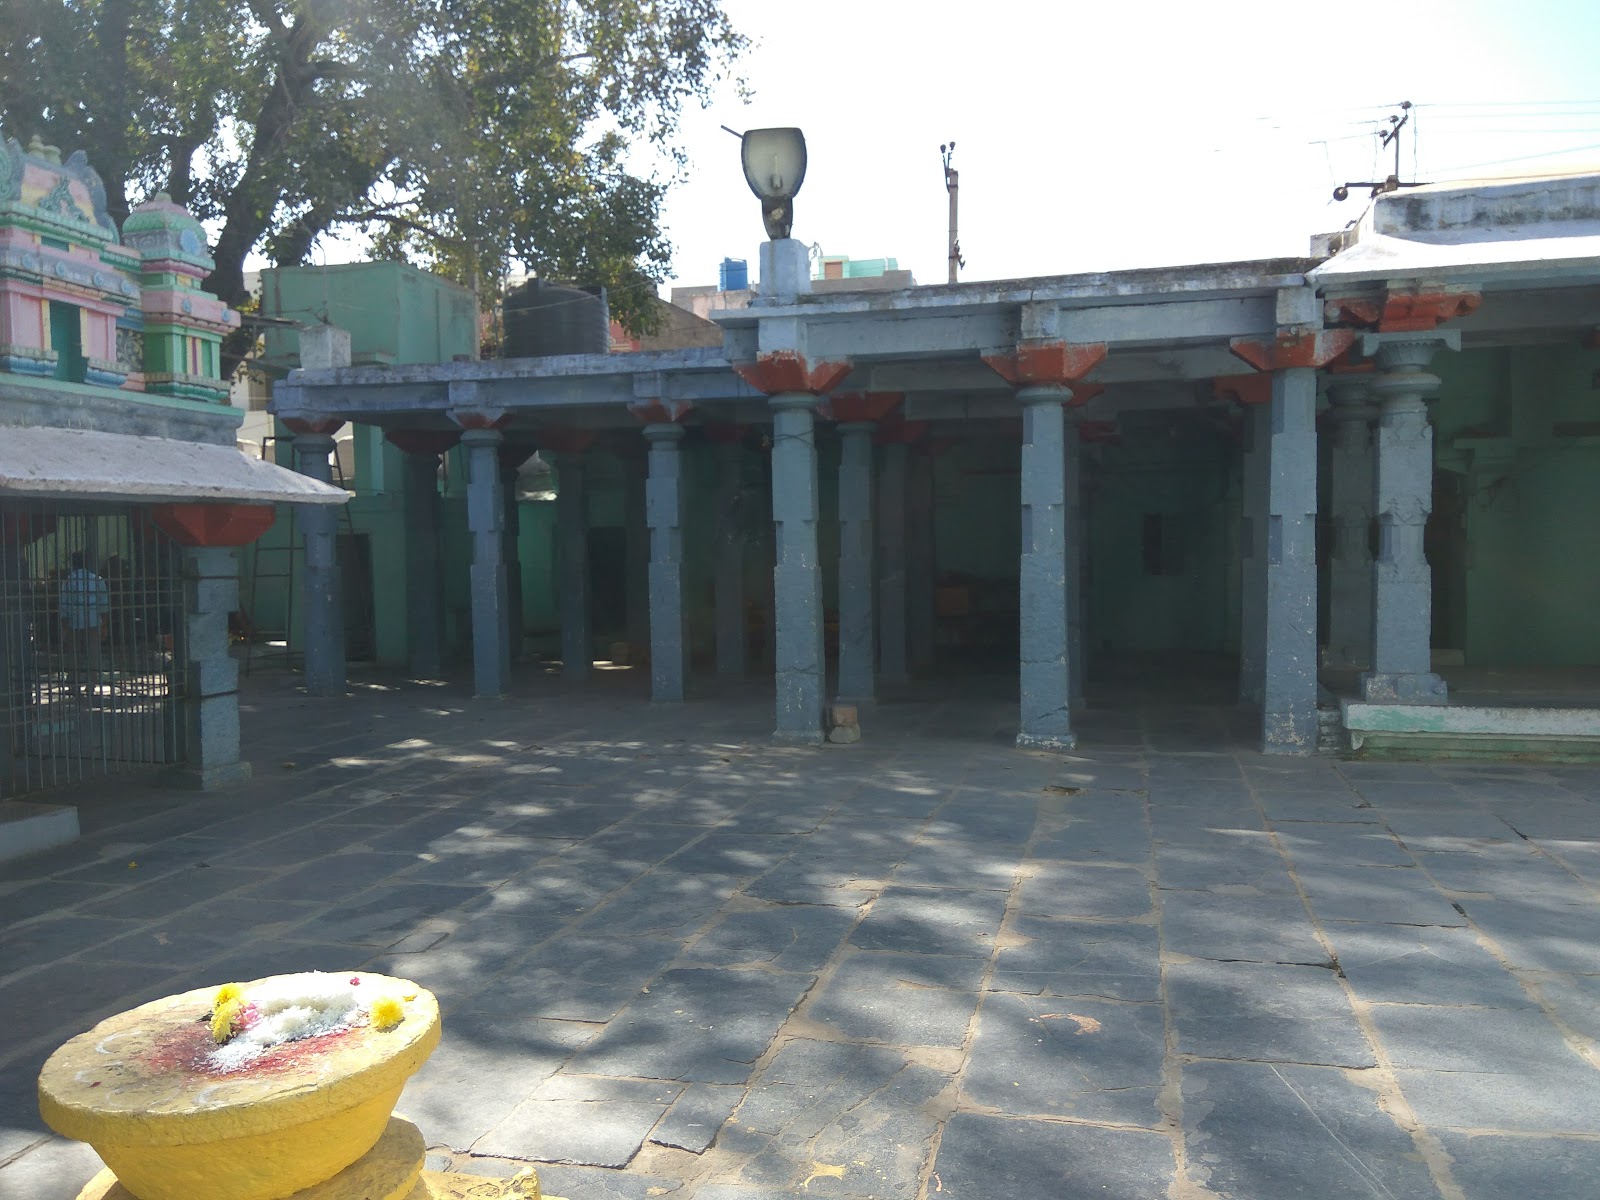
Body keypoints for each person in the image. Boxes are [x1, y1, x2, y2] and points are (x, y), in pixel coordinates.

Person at [58, 552, 110, 697]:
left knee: (73, 655)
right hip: (93, 622)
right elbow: (104, 605)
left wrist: (64, 627)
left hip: (74, 623)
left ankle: (74, 684)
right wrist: (104, 625)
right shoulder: (96, 580)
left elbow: (63, 606)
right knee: (92, 654)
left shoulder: (68, 581)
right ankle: (91, 684)